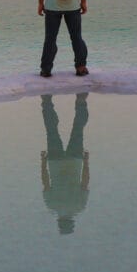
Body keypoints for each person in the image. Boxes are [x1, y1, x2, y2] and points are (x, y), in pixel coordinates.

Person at [40, 93, 90, 234]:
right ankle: (46, 101)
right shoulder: (52, 206)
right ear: (60, 222)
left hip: (74, 160)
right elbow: (45, 181)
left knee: (78, 129)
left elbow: (85, 182)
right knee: (51, 131)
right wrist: (43, 162)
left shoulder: (79, 206)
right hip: (55, 161)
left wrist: (86, 161)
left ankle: (81, 100)